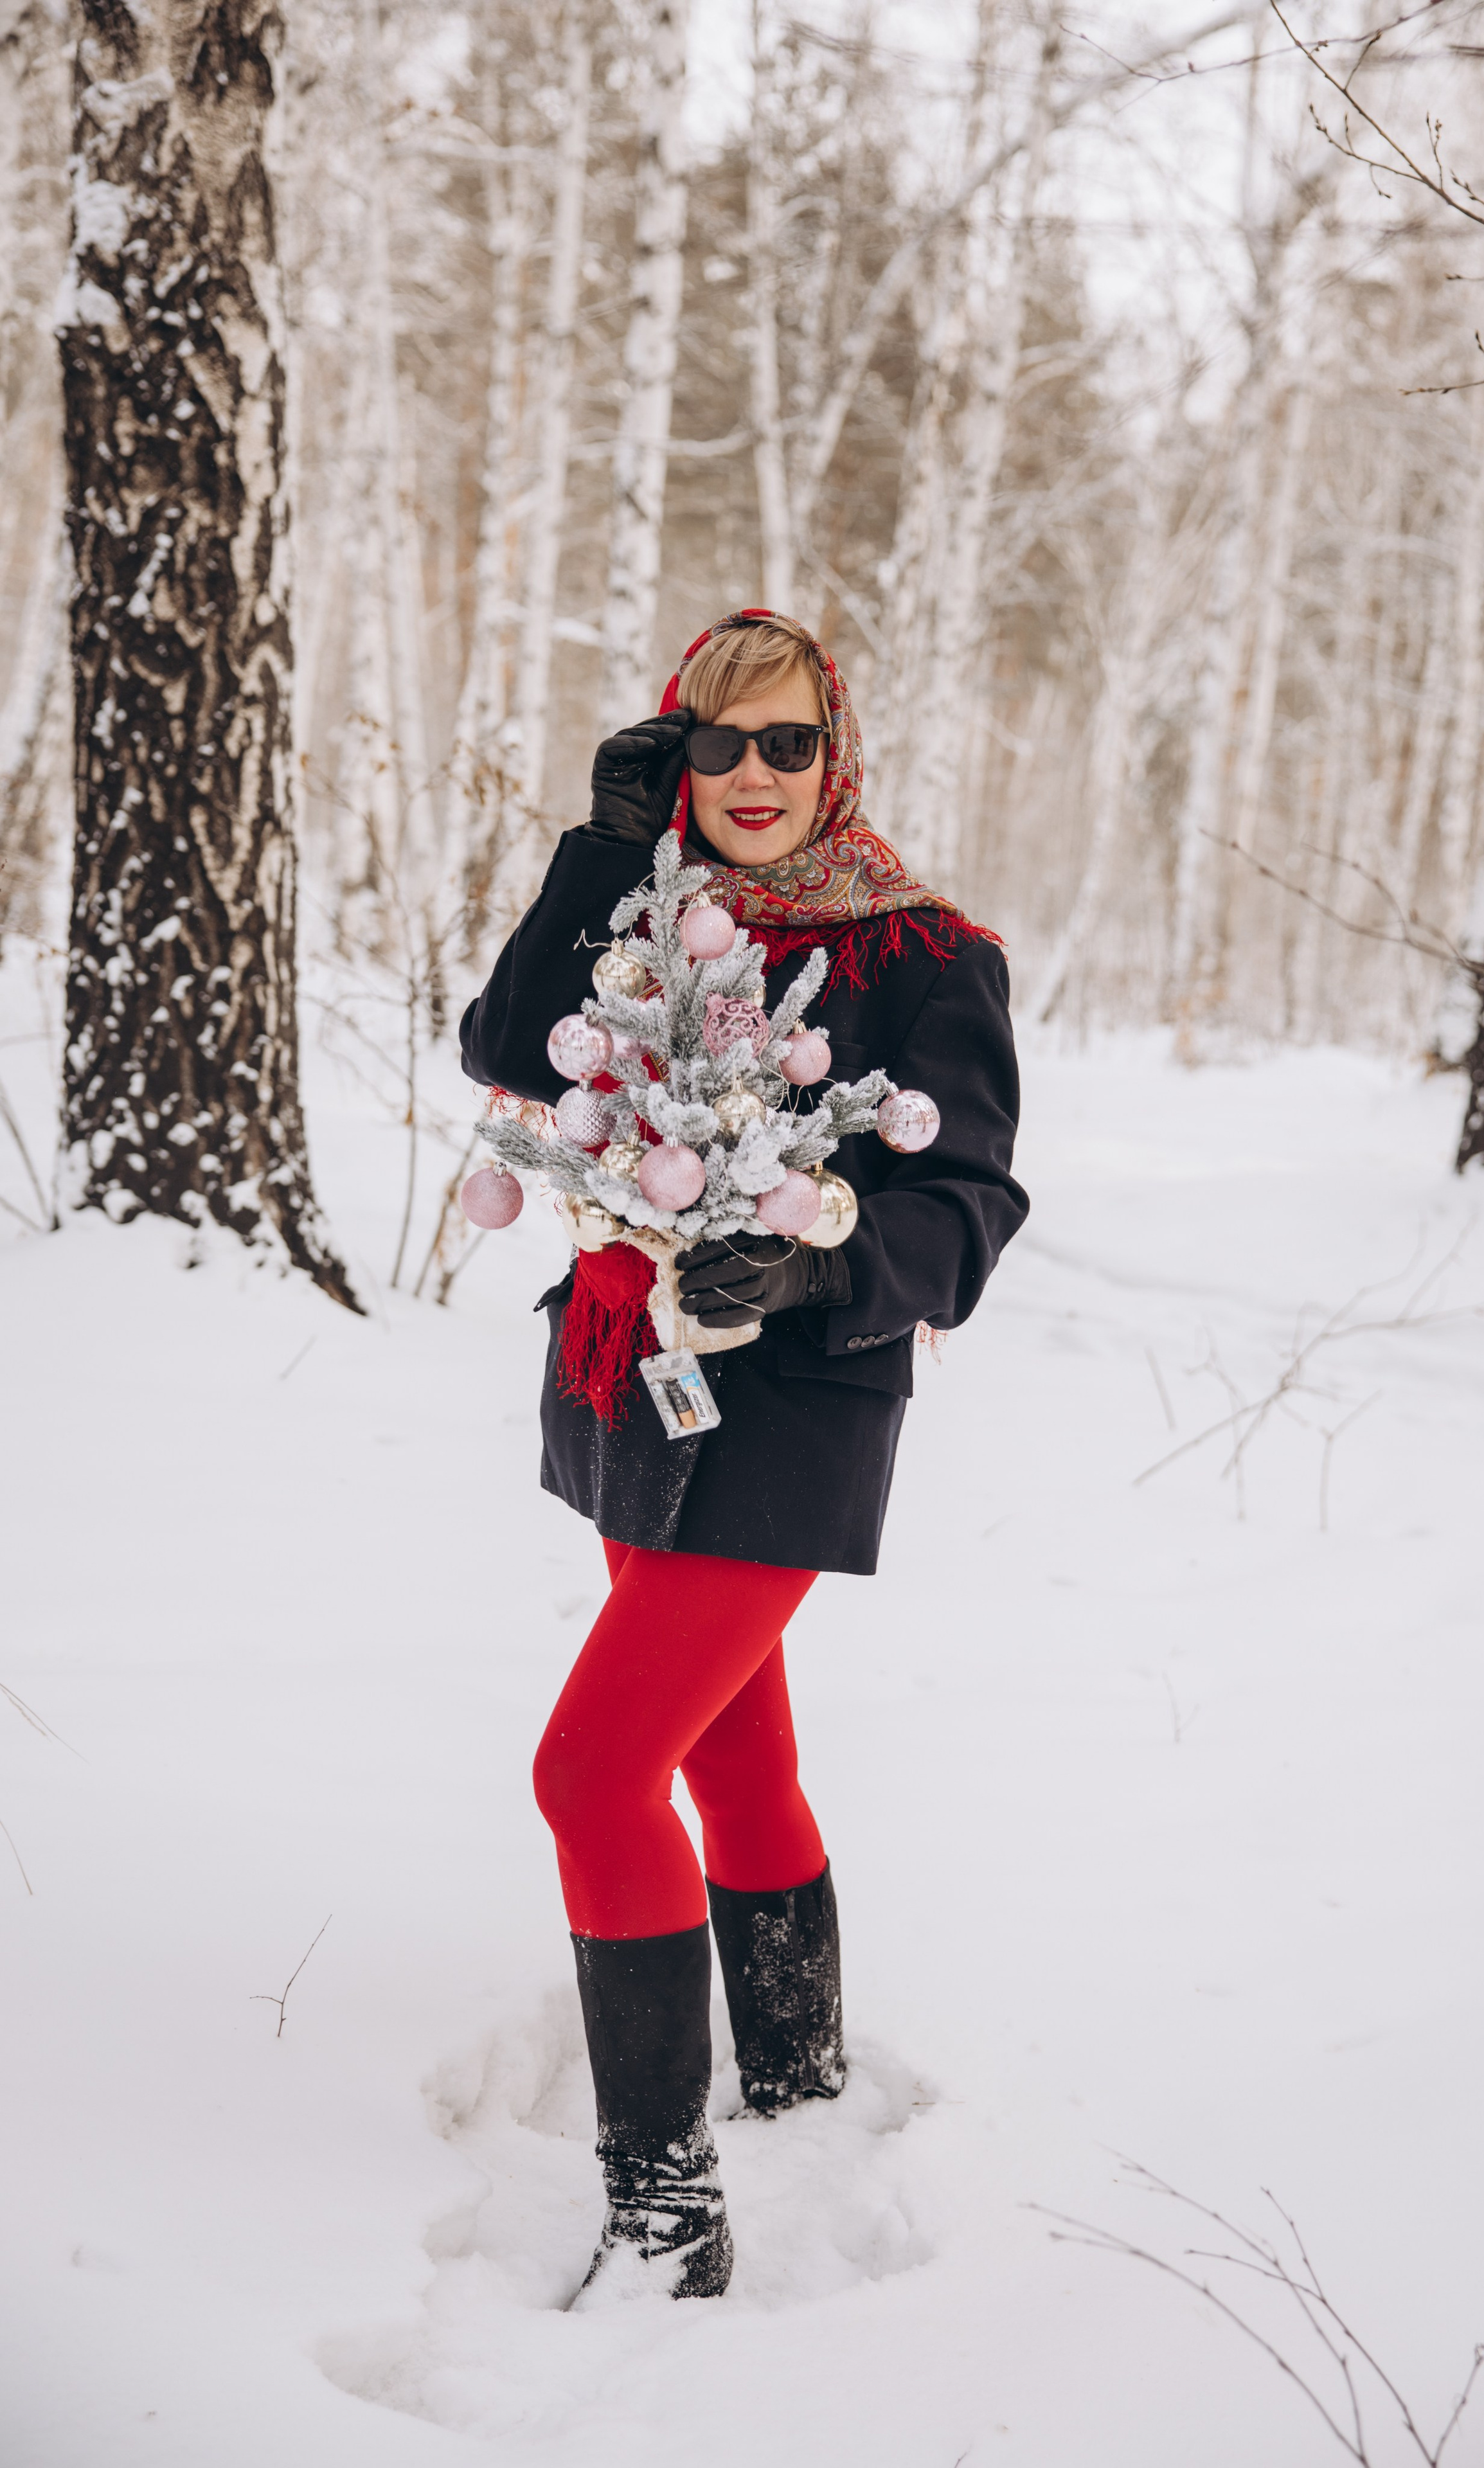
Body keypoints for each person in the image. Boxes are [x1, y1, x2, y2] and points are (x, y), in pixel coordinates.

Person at [460, 609, 1028, 2301]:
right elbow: (512, 1047)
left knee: (592, 1775)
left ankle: (666, 2216)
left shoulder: (926, 953)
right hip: (636, 1378)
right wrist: (600, 850)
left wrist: (823, 1254)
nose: (758, 777)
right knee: (729, 1762)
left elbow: (973, 1201)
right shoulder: (655, 910)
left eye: (790, 743)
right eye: (721, 744)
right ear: (676, 754)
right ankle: (794, 2073)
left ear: (833, 748)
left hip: (801, 1411)